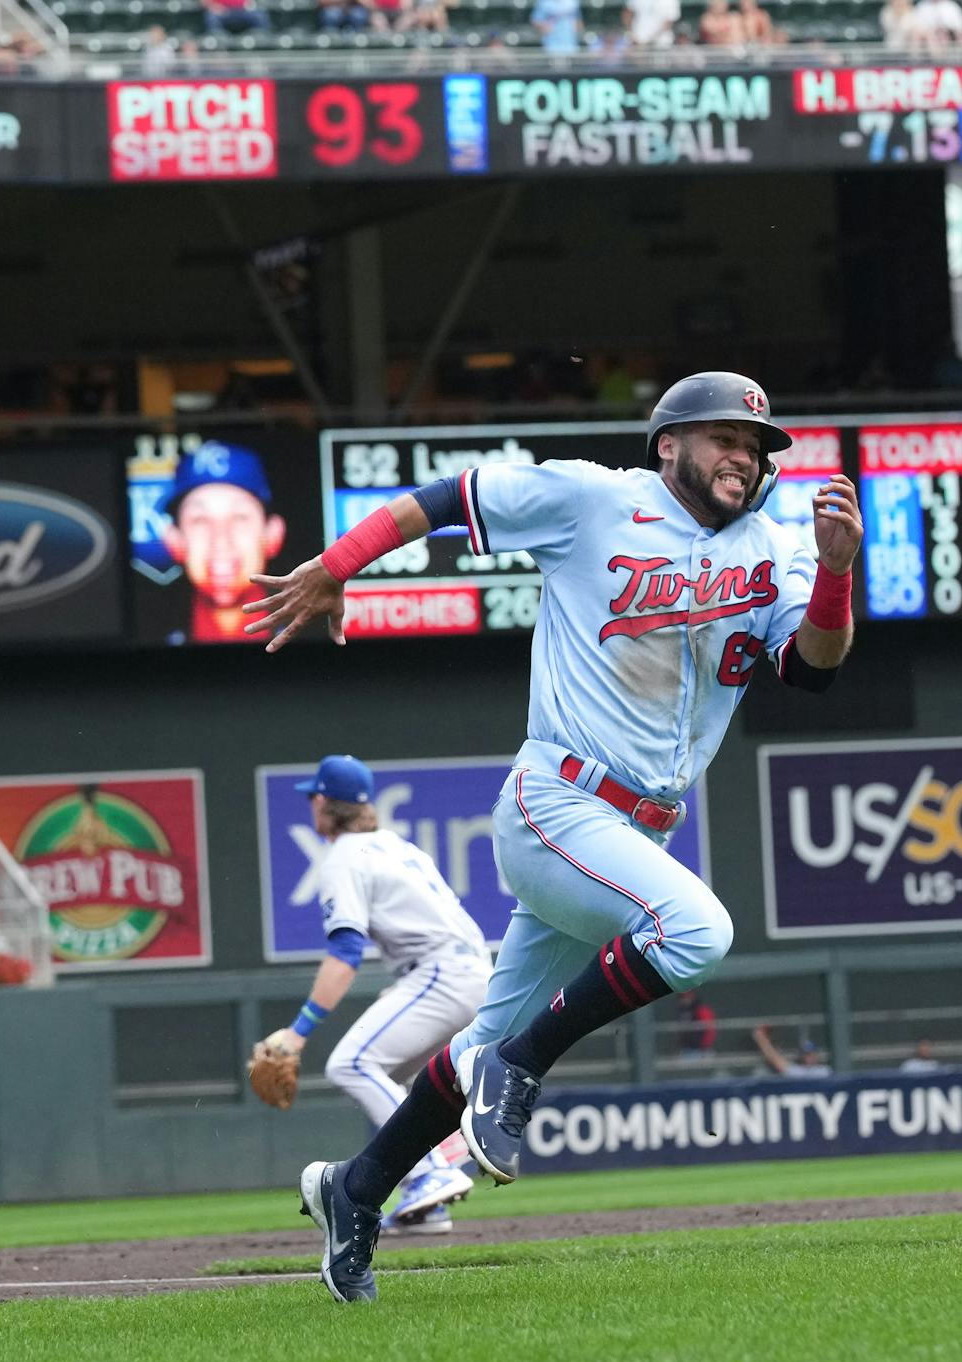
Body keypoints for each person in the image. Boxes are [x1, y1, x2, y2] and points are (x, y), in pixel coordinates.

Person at [250, 371, 861, 1302]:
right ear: (670, 443)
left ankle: (357, 1191)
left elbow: (810, 672)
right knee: (696, 932)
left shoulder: (775, 545)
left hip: (637, 826)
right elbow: (449, 497)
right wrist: (336, 568)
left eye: (757, 443)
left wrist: (836, 575)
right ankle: (523, 1070)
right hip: (559, 802)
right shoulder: (593, 499)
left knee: (472, 1048)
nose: (745, 454)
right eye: (725, 437)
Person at [254, 756, 491, 1235]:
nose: (310, 806)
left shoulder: (343, 857)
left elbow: (345, 953)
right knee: (394, 1085)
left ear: (322, 803)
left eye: (312, 798)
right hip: (472, 972)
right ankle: (429, 1200)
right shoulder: (395, 846)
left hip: (440, 973)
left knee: (352, 1064)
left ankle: (433, 1171)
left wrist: (297, 1034)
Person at [157, 442, 286, 644]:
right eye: (200, 520)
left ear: (273, 535)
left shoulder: (310, 626)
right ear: (175, 541)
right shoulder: (157, 633)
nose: (221, 542)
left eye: (239, 518)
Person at [754, 1024, 833, 1077]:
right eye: (806, 1054)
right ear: (801, 1056)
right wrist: (761, 1039)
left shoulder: (824, 1071)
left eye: (811, 1054)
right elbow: (774, 1059)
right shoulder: (797, 1071)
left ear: (816, 1055)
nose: (809, 1057)